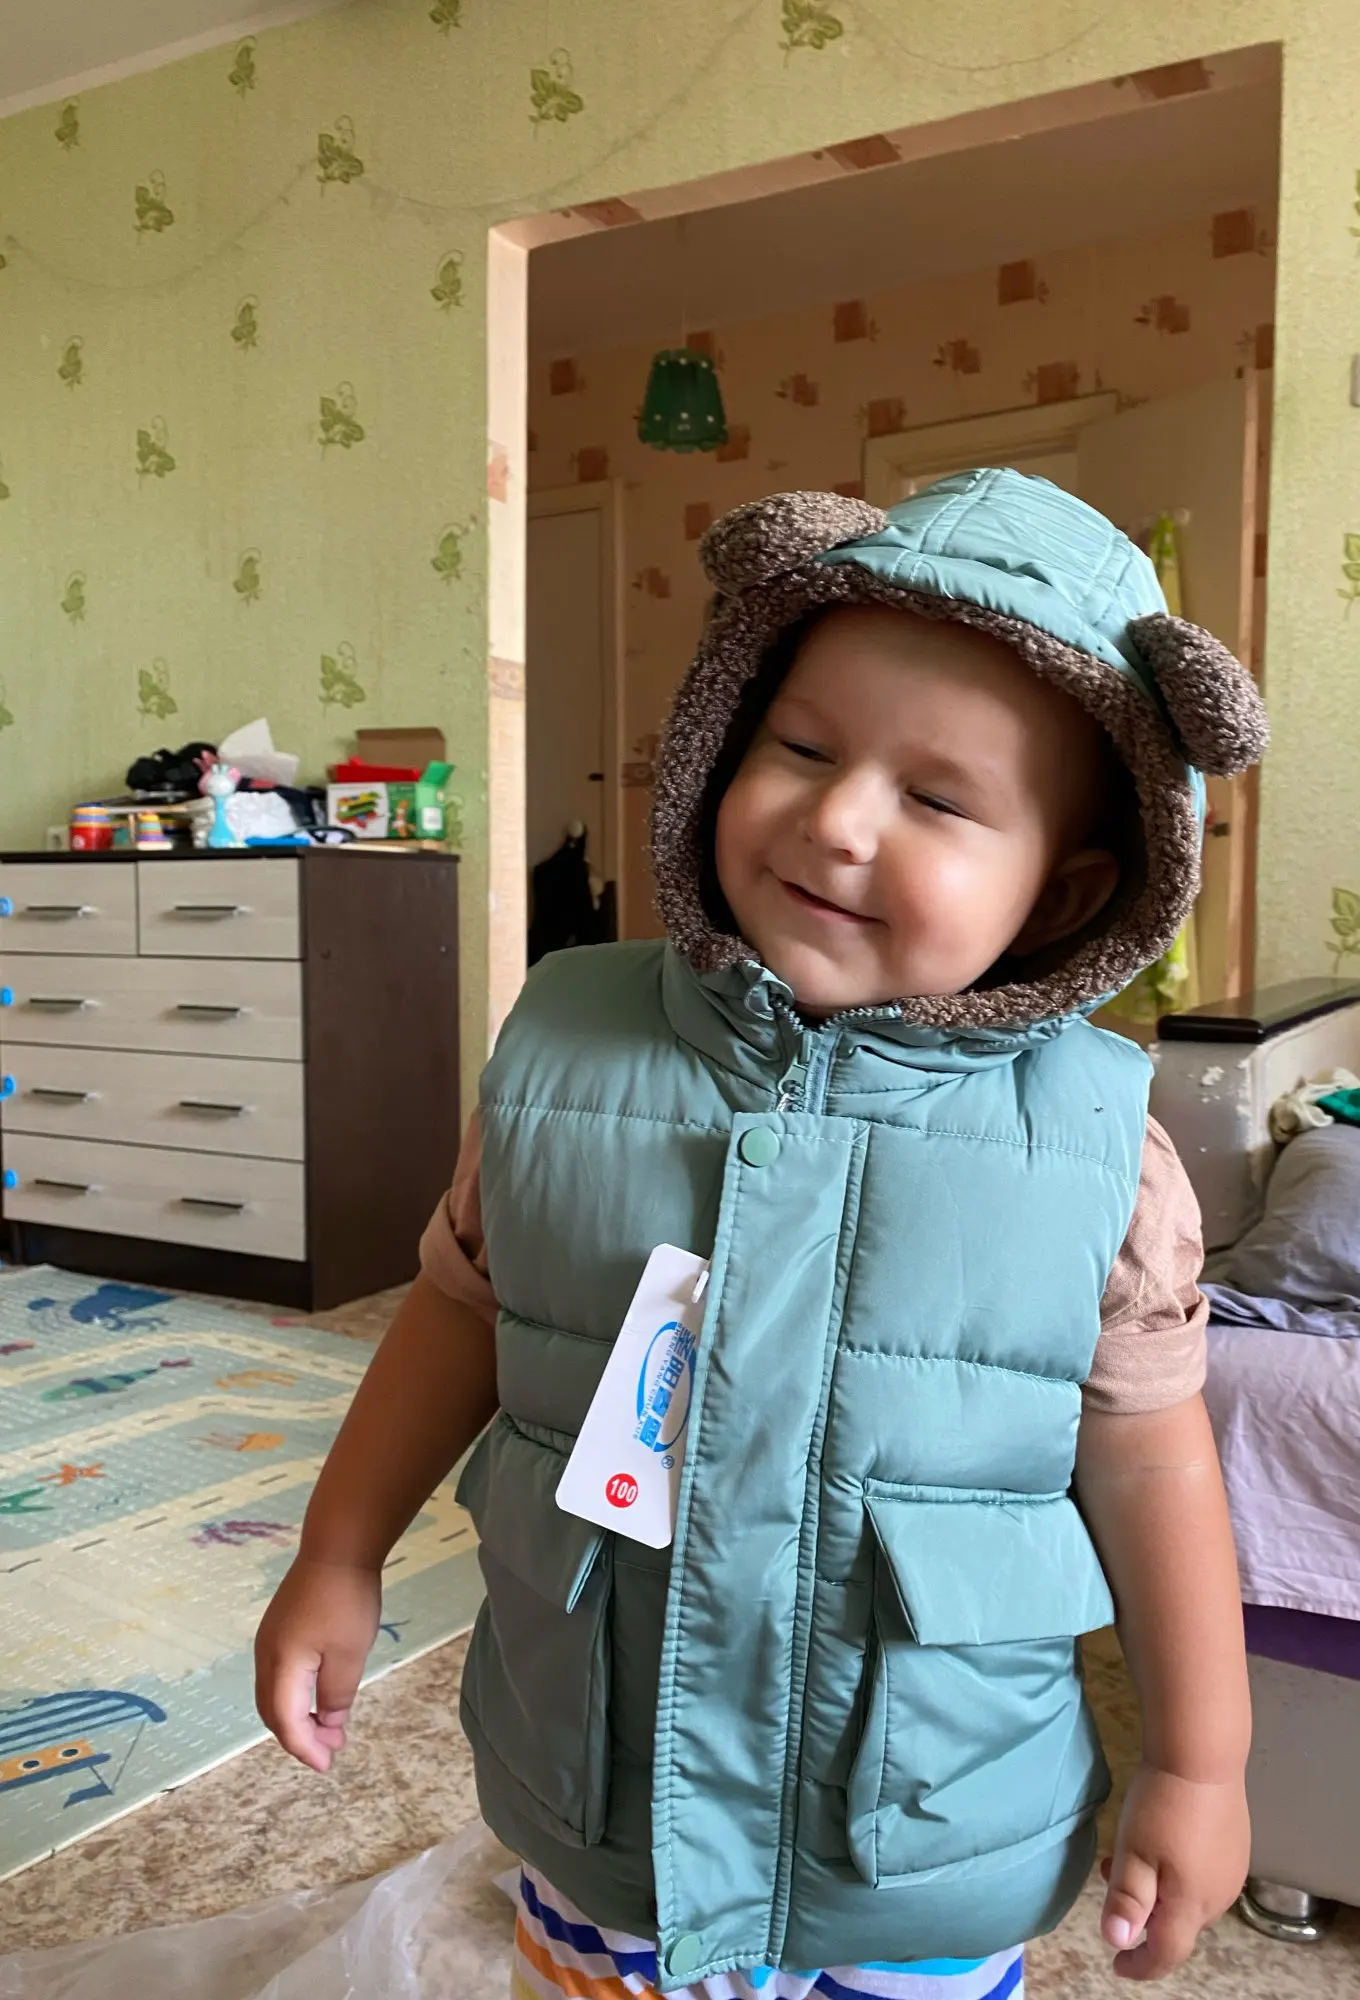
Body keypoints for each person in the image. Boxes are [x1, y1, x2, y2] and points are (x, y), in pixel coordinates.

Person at [257, 470, 1267, 1994]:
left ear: (1064, 892)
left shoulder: (1098, 1153)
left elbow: (1154, 1464)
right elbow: (460, 1313)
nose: (838, 820)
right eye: (801, 748)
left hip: (919, 1830)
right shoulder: (565, 1052)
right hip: (603, 1785)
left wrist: (1200, 1763)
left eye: (939, 800)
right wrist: (338, 1554)